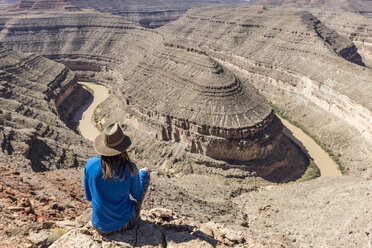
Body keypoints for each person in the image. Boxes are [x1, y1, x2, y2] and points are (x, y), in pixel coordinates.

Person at [84, 123, 151, 235]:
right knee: (144, 177)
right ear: (123, 147)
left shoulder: (90, 164)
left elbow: (89, 196)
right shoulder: (130, 168)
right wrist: (143, 174)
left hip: (99, 227)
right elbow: (137, 195)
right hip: (125, 223)